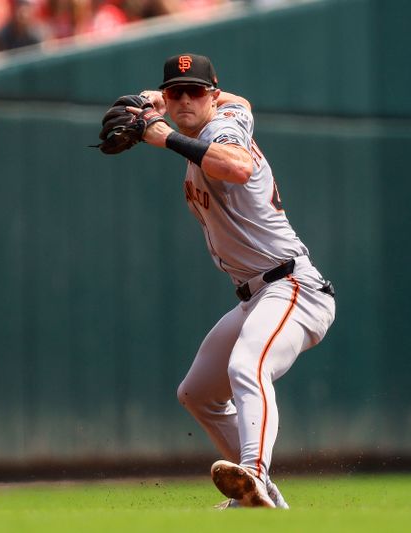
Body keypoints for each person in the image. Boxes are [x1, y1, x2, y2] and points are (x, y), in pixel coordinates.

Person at [130, 53, 336, 508]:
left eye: (195, 91)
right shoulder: (228, 110)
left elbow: (237, 167)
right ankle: (261, 498)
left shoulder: (221, 131)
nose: (185, 99)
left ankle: (255, 473)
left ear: (211, 95)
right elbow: (238, 98)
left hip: (293, 286)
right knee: (198, 394)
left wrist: (163, 134)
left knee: (247, 366)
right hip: (256, 295)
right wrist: (152, 103)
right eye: (175, 92)